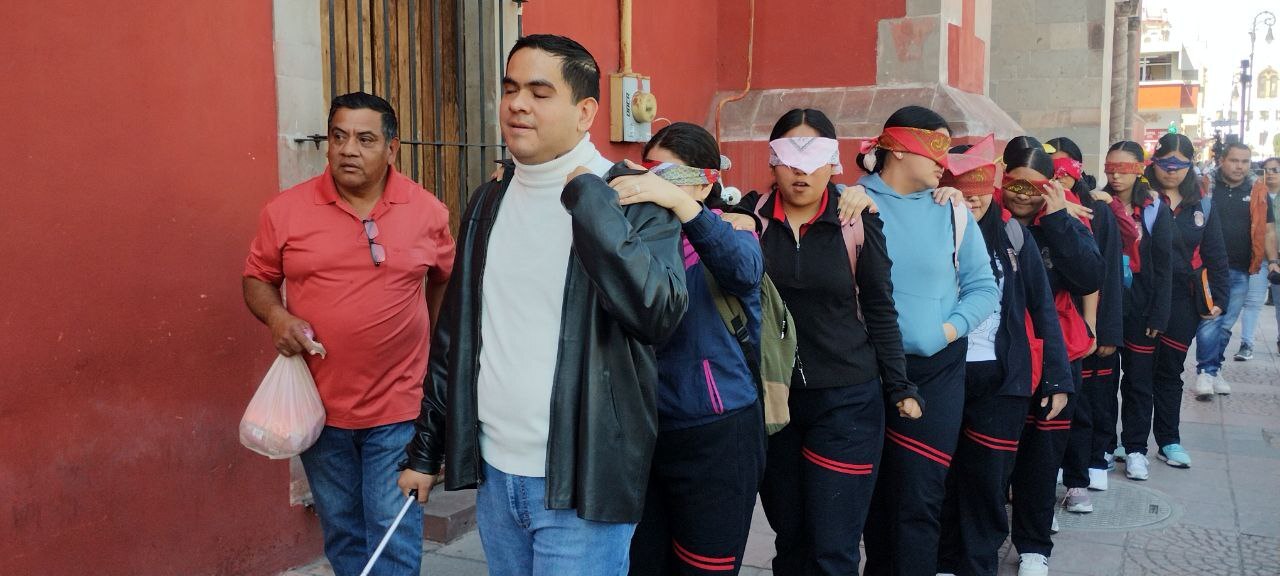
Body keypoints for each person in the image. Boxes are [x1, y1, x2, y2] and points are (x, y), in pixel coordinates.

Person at [397, 35, 688, 576]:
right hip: (495, 475)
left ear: (585, 112)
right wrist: (426, 448)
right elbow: (456, 335)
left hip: (584, 485)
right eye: (510, 89)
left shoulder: (633, 197)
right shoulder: (490, 198)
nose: (517, 104)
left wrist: (589, 202)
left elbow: (658, 313)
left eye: (538, 91)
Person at [242, 92, 455, 576]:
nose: (348, 150)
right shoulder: (285, 211)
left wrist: (435, 348)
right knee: (343, 533)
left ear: (392, 148)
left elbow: (445, 277)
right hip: (319, 410)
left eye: (364, 139)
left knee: (392, 536)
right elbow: (257, 278)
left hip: (400, 408)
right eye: (338, 137)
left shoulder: (427, 212)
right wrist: (278, 319)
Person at [746, 108, 920, 576]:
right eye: (788, 157)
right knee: (792, 540)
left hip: (847, 402)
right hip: (775, 402)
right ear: (772, 161)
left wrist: (900, 386)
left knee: (834, 546)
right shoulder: (749, 218)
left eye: (814, 156)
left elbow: (881, 306)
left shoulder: (856, 221)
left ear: (833, 162)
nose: (801, 170)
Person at [612, 122, 766, 576]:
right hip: (646, 429)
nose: (658, 185)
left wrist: (685, 208)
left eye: (673, 176)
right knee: (643, 562)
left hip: (718, 429)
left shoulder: (731, 230)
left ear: (706, 180)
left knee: (706, 565)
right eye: (651, 173)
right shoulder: (632, 238)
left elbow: (743, 271)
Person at [856, 105, 1001, 576]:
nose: (947, 158)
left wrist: (947, 329)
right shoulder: (850, 201)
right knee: (872, 501)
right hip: (865, 373)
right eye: (936, 145)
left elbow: (983, 287)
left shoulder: (951, 210)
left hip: (934, 376)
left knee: (920, 500)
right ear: (896, 147)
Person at [935, 138, 1073, 576]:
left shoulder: (1012, 234)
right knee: (940, 478)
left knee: (987, 481)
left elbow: (1042, 308)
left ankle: (978, 565)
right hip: (940, 377)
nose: (971, 195)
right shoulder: (926, 227)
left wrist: (1057, 378)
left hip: (1000, 381)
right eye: (960, 184)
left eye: (979, 185)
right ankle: (941, 559)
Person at [999, 137, 1102, 576]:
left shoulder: (1065, 220)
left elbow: (1088, 277)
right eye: (1014, 185)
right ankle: (976, 542)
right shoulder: (982, 216)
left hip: (1057, 352)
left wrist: (1058, 220)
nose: (1023, 195)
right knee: (991, 457)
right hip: (999, 352)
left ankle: (1034, 546)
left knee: (1043, 455)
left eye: (1033, 187)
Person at [1120, 133, 1228, 472]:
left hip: (1184, 299)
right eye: (1166, 164)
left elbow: (1216, 253)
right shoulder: (1143, 199)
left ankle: (1168, 440)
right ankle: (1132, 442)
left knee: (1169, 371)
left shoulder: (1202, 205)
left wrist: (1220, 299)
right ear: (1153, 163)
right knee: (1138, 372)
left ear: (1190, 167)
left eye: (1180, 166)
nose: (1172, 171)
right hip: (1144, 295)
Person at [1044, 137, 1124, 504]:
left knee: (1080, 406)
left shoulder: (1096, 210)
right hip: (1043, 323)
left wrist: (1097, 326)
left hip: (1078, 323)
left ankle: (1080, 477)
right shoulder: (1034, 209)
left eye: (1068, 168)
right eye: (1053, 168)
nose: (1060, 176)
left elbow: (1101, 276)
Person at [1192, 143, 1279, 395]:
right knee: (1211, 319)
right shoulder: (1205, 187)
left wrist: (1272, 260)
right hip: (1208, 268)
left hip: (1241, 267)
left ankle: (1214, 369)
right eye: (1234, 160)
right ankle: (1206, 372)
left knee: (1226, 324)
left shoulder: (1258, 191)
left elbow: (1269, 229)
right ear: (1221, 160)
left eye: (1245, 161)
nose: (1240, 166)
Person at [1264, 157, 1280, 352]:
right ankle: (1246, 342)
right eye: (1267, 170)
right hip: (1262, 254)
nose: (1271, 173)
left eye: (1275, 169)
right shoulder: (1258, 193)